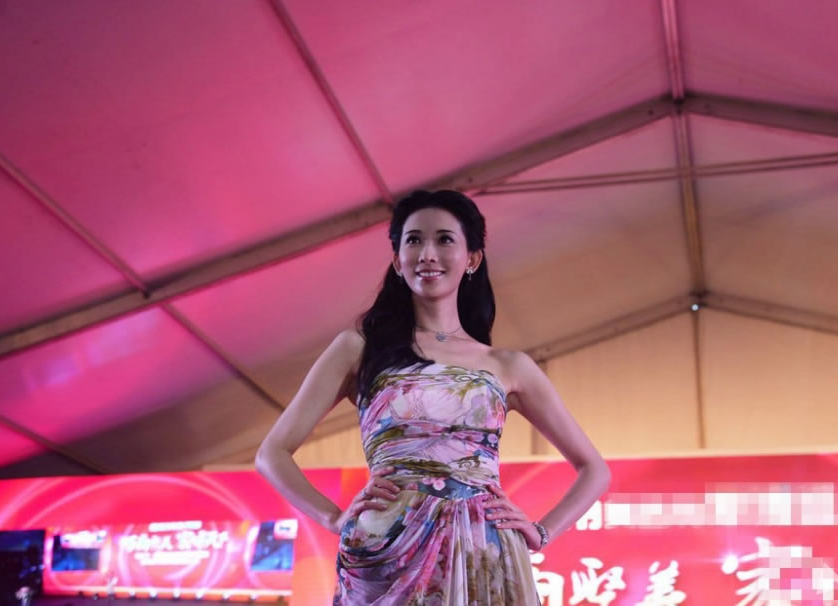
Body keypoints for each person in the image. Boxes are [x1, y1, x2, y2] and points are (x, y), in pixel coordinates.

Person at [256, 190, 610, 605]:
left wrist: (541, 532)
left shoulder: (508, 365)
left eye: (444, 239)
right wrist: (332, 517)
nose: (427, 254)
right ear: (397, 260)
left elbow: (594, 470)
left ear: (472, 258)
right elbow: (272, 453)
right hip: (387, 548)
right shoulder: (359, 348)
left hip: (482, 550)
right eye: (413, 240)